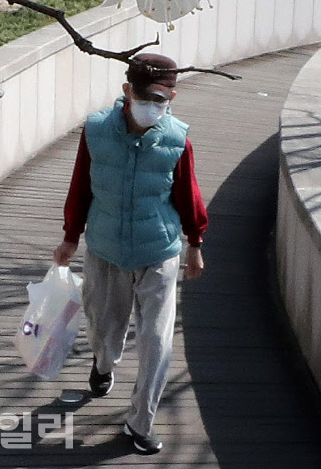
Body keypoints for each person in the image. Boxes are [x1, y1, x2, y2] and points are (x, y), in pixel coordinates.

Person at [53, 53, 207, 456]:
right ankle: (103, 365)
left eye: (162, 99)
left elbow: (188, 195)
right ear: (127, 92)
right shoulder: (96, 131)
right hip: (105, 248)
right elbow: (80, 187)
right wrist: (71, 236)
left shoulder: (177, 139)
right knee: (104, 325)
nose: (153, 106)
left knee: (157, 340)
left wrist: (195, 243)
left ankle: (141, 422)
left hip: (159, 250)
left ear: (172, 96)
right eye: (146, 98)